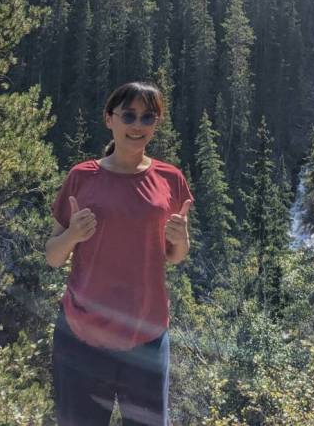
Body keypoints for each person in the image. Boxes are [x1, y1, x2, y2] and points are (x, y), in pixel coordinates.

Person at [46, 80, 194, 426]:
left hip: (147, 339)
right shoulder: (81, 177)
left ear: (156, 124)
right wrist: (72, 235)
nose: (137, 125)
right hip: (82, 339)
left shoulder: (170, 179)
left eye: (148, 117)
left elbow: (174, 255)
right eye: (128, 115)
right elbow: (53, 256)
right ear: (109, 119)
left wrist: (182, 240)